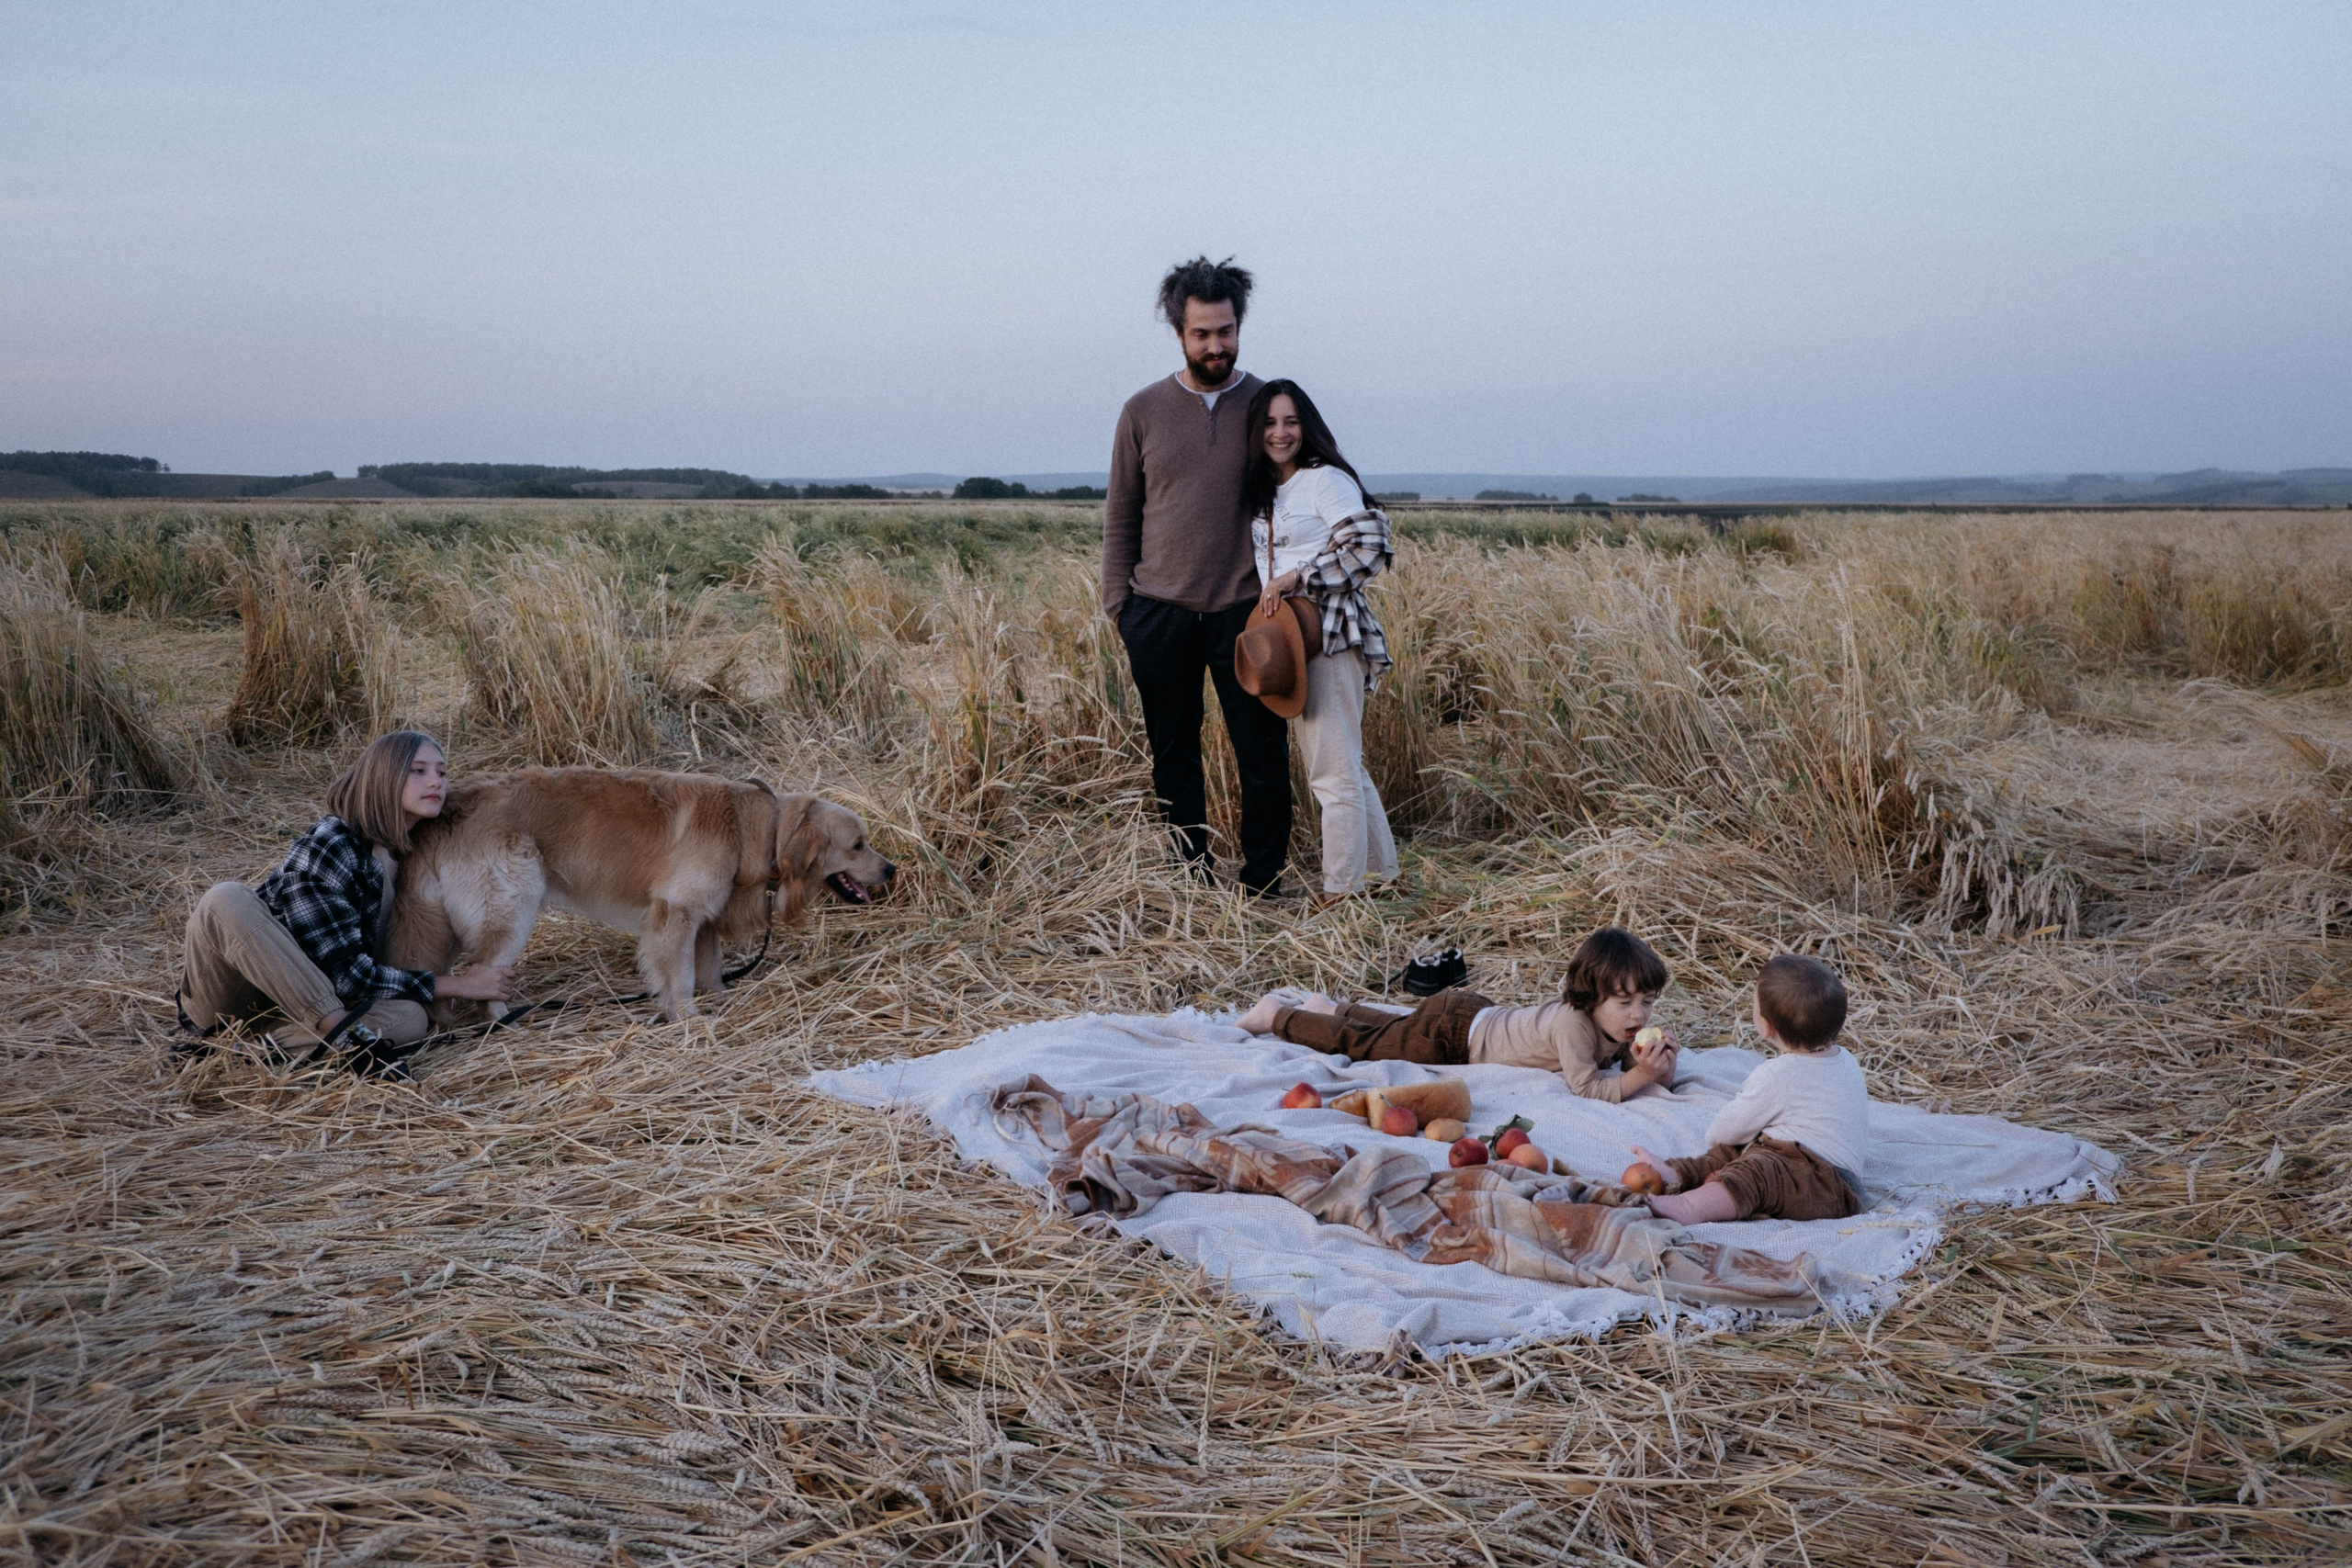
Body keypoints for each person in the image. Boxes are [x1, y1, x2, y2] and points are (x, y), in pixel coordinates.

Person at [1102, 256, 1292, 896]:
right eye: (1202, 333)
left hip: (1247, 613)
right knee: (1174, 756)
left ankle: (1264, 881)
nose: (1216, 345)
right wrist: (1119, 608)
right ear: (1179, 332)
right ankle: (1192, 876)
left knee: (1262, 754)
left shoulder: (1266, 407)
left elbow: (1300, 498)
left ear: (1239, 327)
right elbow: (1122, 513)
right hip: (1158, 612)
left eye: (1226, 331)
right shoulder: (1142, 411)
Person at [175, 731, 512, 1078]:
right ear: (384, 777)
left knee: (411, 1018)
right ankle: (351, 1041)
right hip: (235, 998)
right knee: (226, 897)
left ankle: (242, 1054)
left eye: (441, 772)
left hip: (297, 1011)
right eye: (418, 771)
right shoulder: (333, 842)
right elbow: (348, 976)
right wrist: (459, 985)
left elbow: (362, 976)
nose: (435, 782)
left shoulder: (404, 854)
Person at [1240, 378, 1397, 908]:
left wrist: (1299, 577)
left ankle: (1341, 892)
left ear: (1306, 426)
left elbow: (1371, 544)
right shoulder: (1268, 489)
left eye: (1290, 421)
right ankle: (1382, 878)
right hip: (1293, 640)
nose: (1280, 433)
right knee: (1344, 766)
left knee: (1332, 776)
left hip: (1327, 634)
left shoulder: (1322, 479)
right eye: (1268, 423)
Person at [1234, 926, 1680, 1100]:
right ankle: (1277, 1015)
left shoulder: (1618, 1027)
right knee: (1367, 1046)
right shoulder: (1573, 1025)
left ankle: (1332, 1008)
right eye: (1625, 1003)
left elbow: (1624, 1068)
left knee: (1396, 1028)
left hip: (1475, 1015)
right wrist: (1639, 1079)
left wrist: (1658, 1068)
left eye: (1647, 1002)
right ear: (1590, 996)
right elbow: (1586, 1088)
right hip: (1451, 1039)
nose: (1638, 1014)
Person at [1628, 955, 1870, 1224]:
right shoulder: (1846, 1059)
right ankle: (1678, 1174)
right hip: (1826, 1176)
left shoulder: (1777, 1075)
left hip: (1825, 1183)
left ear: (1766, 1026)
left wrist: (1718, 1136)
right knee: (1743, 1151)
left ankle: (1692, 1206)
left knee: (1756, 1170)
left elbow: (1729, 1128)